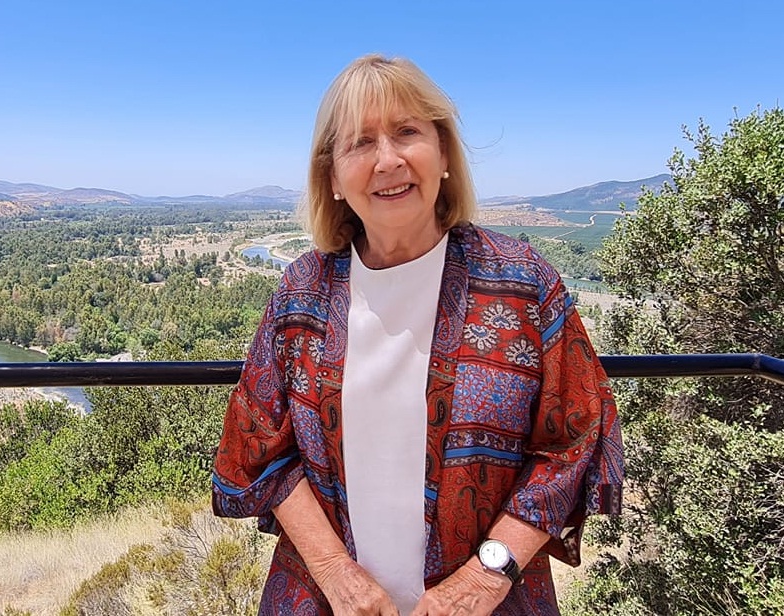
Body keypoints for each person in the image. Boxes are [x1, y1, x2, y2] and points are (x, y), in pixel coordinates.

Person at [211, 54, 624, 616]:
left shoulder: (523, 285)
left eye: (406, 132)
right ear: (332, 177)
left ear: (444, 153)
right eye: (360, 142)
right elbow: (259, 443)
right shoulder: (301, 293)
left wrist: (485, 578)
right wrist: (334, 572)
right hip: (325, 601)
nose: (388, 160)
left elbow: (573, 440)